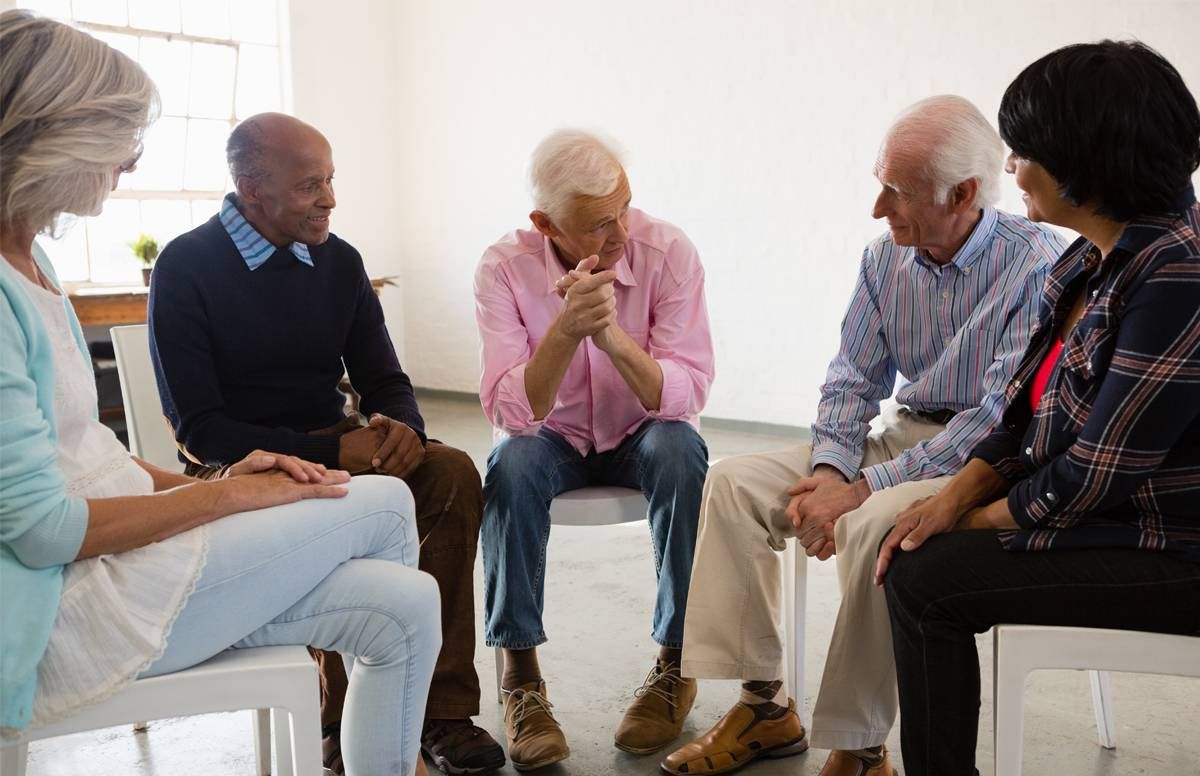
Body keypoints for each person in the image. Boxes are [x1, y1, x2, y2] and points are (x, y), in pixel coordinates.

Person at [0, 11, 438, 776]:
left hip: (118, 570)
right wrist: (224, 498)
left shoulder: (31, 263)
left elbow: (89, 456)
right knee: (387, 503)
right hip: (69, 613)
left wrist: (221, 481)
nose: (128, 166)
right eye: (117, 143)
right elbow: (41, 531)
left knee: (407, 607)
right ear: (51, 136)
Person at [664, 96, 1066, 776]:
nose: (879, 208)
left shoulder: (1039, 265)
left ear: (964, 193)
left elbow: (995, 418)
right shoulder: (884, 261)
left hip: (980, 462)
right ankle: (765, 705)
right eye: (879, 184)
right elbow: (851, 379)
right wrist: (829, 472)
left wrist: (860, 491)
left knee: (879, 520)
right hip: (900, 439)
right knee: (733, 481)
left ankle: (859, 745)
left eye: (897, 191)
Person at [877, 40, 1200, 776]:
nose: (1011, 170)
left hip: (1176, 549)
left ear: (1088, 163)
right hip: (1121, 519)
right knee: (918, 548)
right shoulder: (1089, 257)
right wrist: (954, 494)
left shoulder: (1179, 270)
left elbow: (1094, 472)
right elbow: (1022, 414)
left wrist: (971, 518)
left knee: (924, 581)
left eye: (1024, 152)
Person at [147, 113, 504, 773]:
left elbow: (385, 380)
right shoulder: (186, 266)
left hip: (337, 449)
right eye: (312, 185)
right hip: (241, 467)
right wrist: (339, 457)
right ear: (254, 190)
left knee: (450, 472)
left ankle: (443, 715)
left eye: (331, 180)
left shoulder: (340, 263)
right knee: (346, 513)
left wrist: (403, 429)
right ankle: (346, 725)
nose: (331, 199)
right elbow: (200, 429)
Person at [473, 128, 714, 769]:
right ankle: (520, 677)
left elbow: (687, 393)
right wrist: (565, 331)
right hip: (552, 436)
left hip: (642, 428)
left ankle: (676, 661)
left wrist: (609, 337)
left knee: (680, 451)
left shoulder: (669, 253)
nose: (619, 236)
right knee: (511, 464)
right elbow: (511, 411)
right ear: (545, 224)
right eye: (597, 226)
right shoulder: (503, 267)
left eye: (624, 211)